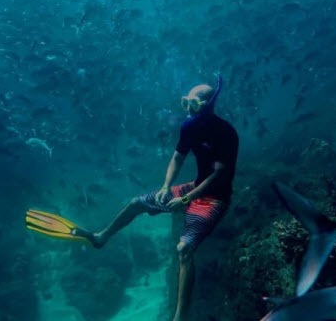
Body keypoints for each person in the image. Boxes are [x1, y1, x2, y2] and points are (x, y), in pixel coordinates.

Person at [25, 76, 239, 321]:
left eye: (195, 104)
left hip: (215, 198)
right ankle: (100, 237)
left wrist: (185, 199)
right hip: (193, 188)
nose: (189, 109)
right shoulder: (188, 127)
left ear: (209, 104)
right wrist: (166, 186)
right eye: (186, 103)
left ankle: (179, 318)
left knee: (184, 249)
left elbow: (221, 176)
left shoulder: (226, 133)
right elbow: (178, 157)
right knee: (137, 203)